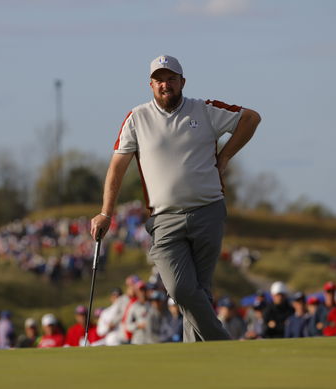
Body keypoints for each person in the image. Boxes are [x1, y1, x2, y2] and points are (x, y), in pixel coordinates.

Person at [91, 55, 261, 342]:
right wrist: (106, 213)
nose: (165, 85)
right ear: (150, 85)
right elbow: (116, 169)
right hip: (164, 217)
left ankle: (198, 361)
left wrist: (225, 157)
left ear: (182, 82)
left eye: (171, 79)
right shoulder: (137, 118)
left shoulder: (204, 109)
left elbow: (250, 118)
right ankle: (222, 344)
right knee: (181, 289)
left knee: (200, 292)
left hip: (208, 210)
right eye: (159, 80)